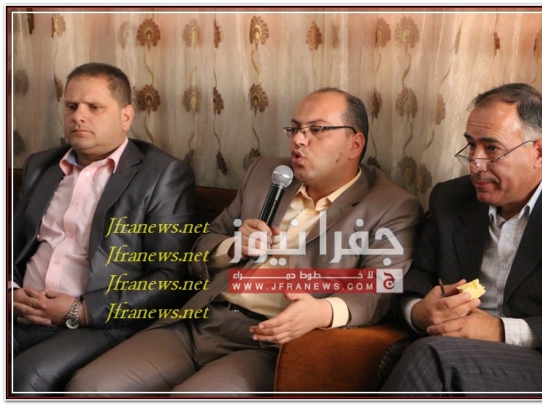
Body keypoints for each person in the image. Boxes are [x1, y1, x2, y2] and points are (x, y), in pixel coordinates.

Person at [66, 87, 423, 394]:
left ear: (355, 143)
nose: (299, 140)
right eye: (295, 129)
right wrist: (233, 247)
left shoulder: (390, 205)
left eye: (317, 130)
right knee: (89, 387)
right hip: (202, 320)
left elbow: (380, 287)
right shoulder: (267, 173)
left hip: (269, 343)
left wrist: (323, 311)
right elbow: (204, 243)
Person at [381, 83, 542, 394]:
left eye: (492, 149)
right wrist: (418, 311)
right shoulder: (451, 198)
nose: (475, 163)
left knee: (433, 358)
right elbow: (417, 278)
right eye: (471, 145)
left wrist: (500, 330)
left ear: (539, 152)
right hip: (458, 351)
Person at [11, 62, 201, 393]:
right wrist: (10, 291)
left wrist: (82, 311)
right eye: (71, 106)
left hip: (99, 324)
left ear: (126, 116)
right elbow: (11, 243)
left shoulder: (163, 175)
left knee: (21, 378)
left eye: (94, 107)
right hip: (20, 312)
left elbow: (172, 277)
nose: (78, 116)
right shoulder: (41, 165)